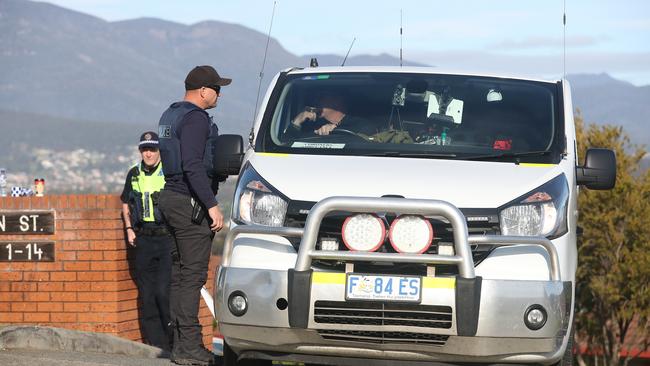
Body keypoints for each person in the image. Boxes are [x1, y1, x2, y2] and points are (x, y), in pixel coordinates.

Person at [158, 65, 230, 366]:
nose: (219, 94)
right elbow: (192, 165)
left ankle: (178, 345)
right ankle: (189, 347)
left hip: (170, 199)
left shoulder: (170, 114)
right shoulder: (196, 119)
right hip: (190, 204)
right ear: (203, 90)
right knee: (192, 278)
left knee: (178, 276)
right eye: (217, 89)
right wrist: (211, 204)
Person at [120, 131, 172, 352]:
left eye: (152, 149)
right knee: (147, 294)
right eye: (145, 149)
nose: (148, 153)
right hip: (143, 239)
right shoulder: (134, 174)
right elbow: (125, 202)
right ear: (140, 151)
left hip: (166, 238)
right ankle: (155, 345)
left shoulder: (169, 172)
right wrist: (129, 229)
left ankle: (172, 342)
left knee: (163, 292)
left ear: (159, 150)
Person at [288, 94, 377, 137]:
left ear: (338, 100)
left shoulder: (361, 123)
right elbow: (286, 143)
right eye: (315, 98)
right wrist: (297, 122)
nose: (316, 101)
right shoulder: (310, 125)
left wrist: (335, 130)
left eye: (321, 97)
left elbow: (366, 137)